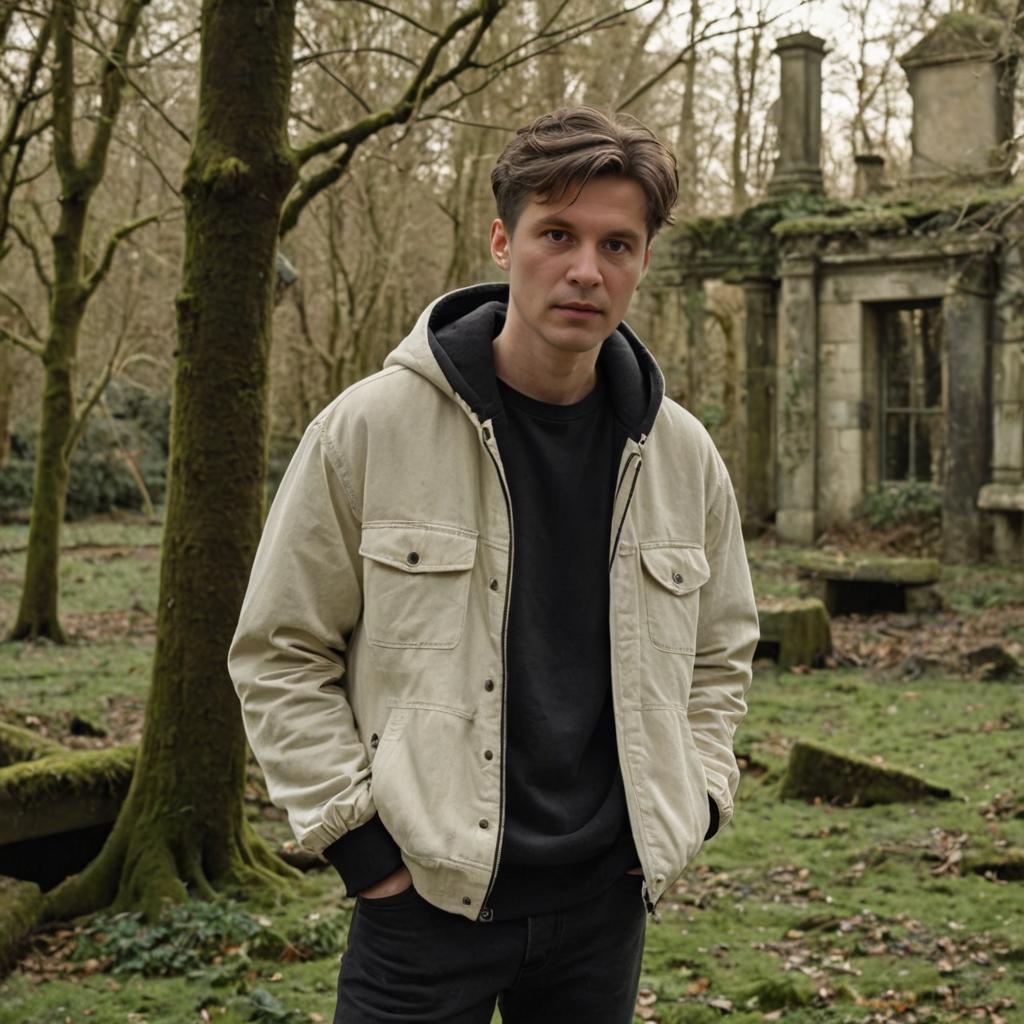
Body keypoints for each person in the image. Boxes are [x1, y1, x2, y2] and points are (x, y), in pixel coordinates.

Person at [229, 105, 759, 1024]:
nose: (586, 270)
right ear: (503, 238)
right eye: (558, 234)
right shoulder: (369, 430)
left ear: (641, 262)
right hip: (426, 904)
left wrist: (697, 801)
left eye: (618, 244)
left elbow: (721, 655)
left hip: (604, 908)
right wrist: (362, 851)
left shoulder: (682, 456)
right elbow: (279, 651)